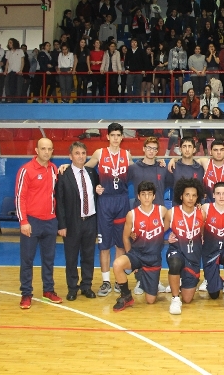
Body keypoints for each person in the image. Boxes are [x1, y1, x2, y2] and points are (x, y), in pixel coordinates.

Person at [63, 123, 132, 297]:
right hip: (105, 202)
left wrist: (161, 162)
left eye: (118, 135)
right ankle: (106, 281)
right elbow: (83, 167)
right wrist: (66, 166)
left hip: (122, 201)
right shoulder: (100, 153)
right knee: (104, 244)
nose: (116, 138)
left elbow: (140, 170)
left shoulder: (127, 155)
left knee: (120, 243)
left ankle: (119, 279)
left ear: (122, 137)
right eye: (113, 135)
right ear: (108, 137)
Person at [15, 138, 62, 309]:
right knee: (27, 260)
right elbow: (20, 197)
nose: (46, 152)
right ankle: (26, 294)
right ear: (36, 150)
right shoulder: (26, 170)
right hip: (31, 222)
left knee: (48, 259)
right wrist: (23, 221)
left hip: (50, 222)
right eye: (43, 148)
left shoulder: (54, 169)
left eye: (49, 149)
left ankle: (48, 290)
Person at [111, 181, 169, 311]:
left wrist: (162, 231)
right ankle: (126, 296)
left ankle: (149, 283)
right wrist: (130, 255)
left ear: (154, 196)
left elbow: (174, 218)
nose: (147, 197)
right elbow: (125, 236)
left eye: (149, 194)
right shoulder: (132, 214)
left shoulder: (162, 210)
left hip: (153, 258)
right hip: (136, 254)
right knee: (117, 264)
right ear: (138, 196)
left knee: (150, 300)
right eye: (143, 194)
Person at [56, 142, 101, 301]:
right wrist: (61, 225)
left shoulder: (91, 173)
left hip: (90, 220)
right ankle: (72, 288)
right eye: (77, 153)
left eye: (83, 153)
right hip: (72, 222)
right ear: (70, 156)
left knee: (88, 256)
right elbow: (59, 201)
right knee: (71, 257)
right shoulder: (63, 174)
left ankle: (86, 286)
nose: (81, 156)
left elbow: (98, 192)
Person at [166, 178, 205, 314]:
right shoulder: (172, 213)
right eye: (187, 194)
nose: (190, 198)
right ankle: (175, 298)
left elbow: (203, 234)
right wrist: (167, 238)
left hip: (193, 257)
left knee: (188, 299)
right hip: (177, 251)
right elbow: (158, 232)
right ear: (181, 195)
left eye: (194, 195)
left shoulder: (201, 213)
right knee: (175, 263)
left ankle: (179, 281)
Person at [201, 182, 224, 309]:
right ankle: (219, 281)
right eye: (218, 194)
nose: (221, 197)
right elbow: (194, 223)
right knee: (214, 295)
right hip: (210, 251)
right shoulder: (206, 208)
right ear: (213, 195)